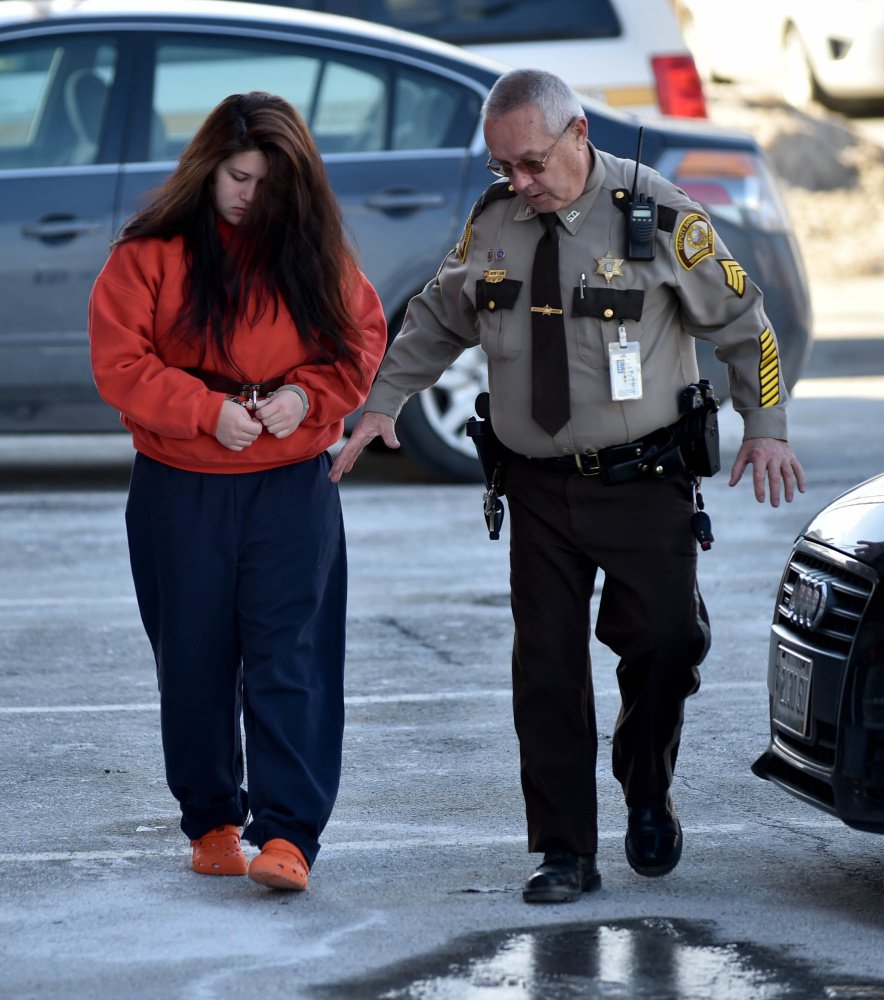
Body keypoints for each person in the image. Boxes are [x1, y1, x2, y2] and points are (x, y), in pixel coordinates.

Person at [330, 69, 806, 903]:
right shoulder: (495, 225)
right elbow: (440, 314)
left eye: (531, 164)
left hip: (645, 480)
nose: (519, 183)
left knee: (663, 644)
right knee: (545, 671)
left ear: (578, 135)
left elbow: (744, 322)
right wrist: (384, 402)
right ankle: (563, 850)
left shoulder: (657, 217)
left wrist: (764, 427)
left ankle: (645, 785)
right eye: (502, 168)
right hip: (538, 489)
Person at [89, 92, 387, 891]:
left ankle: (289, 834)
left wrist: (307, 399)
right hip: (179, 488)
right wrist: (203, 411)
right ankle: (214, 819)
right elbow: (120, 364)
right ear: (207, 168)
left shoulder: (313, 249)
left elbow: (360, 338)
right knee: (192, 658)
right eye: (239, 176)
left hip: (291, 487)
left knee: (292, 658)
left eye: (270, 183)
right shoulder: (149, 253)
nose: (251, 196)